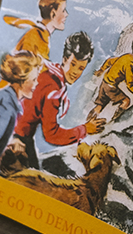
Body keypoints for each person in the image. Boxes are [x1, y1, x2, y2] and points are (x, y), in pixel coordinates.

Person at [11, 31, 105, 169]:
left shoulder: (49, 73)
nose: (75, 72)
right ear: (64, 59)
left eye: (81, 68)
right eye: (72, 64)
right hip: (16, 140)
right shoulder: (52, 88)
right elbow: (51, 135)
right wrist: (84, 129)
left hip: (15, 132)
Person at [87, 35, 133, 125]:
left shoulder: (126, 57)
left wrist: (101, 70)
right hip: (110, 87)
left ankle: (87, 122)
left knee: (99, 106)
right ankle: (113, 122)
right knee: (126, 101)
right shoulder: (130, 63)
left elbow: (109, 61)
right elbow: (130, 84)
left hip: (104, 83)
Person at [2, 0, 69, 64]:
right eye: (63, 10)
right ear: (53, 13)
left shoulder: (42, 35)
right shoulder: (36, 36)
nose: (66, 14)